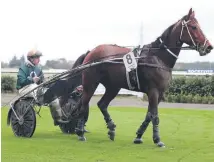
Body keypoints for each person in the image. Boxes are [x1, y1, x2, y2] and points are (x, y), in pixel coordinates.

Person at [16, 49, 68, 124]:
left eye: (39, 58)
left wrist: (48, 81)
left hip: (36, 89)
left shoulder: (38, 68)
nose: (39, 60)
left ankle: (57, 119)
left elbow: (42, 81)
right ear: (31, 58)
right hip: (23, 89)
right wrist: (32, 80)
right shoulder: (23, 67)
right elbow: (21, 81)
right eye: (37, 58)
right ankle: (41, 99)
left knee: (53, 97)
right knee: (33, 86)